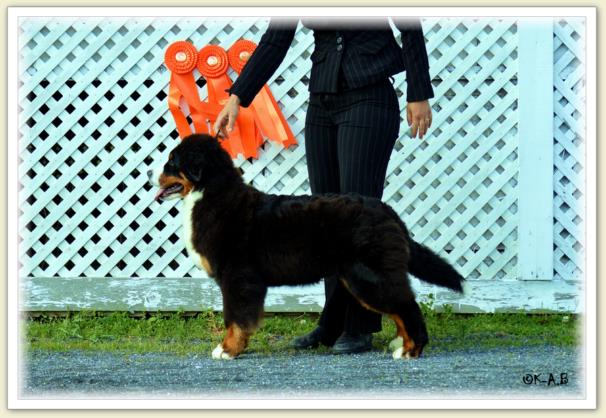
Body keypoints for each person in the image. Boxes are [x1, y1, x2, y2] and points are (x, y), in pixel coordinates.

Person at [213, 17, 434, 354]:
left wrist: (418, 92)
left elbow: (410, 26)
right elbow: (275, 40)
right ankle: (332, 322)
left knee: (355, 221)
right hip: (322, 103)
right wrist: (236, 97)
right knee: (324, 222)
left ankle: (359, 326)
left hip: (370, 97)